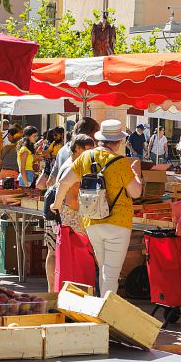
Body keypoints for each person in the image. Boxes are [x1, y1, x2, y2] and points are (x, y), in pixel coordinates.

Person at [51, 119, 143, 295]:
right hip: (118, 222)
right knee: (111, 273)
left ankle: (103, 309)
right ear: (118, 142)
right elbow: (136, 193)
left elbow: (64, 182)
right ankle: (108, 314)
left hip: (92, 221)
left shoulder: (86, 157)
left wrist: (56, 204)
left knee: (103, 268)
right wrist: (136, 174)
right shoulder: (122, 163)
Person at [46, 134, 96, 291]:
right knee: (65, 254)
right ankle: (58, 291)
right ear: (78, 149)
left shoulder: (74, 163)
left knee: (58, 253)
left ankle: (55, 291)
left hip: (61, 211)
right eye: (88, 150)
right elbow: (72, 199)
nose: (92, 154)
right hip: (68, 214)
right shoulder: (74, 167)